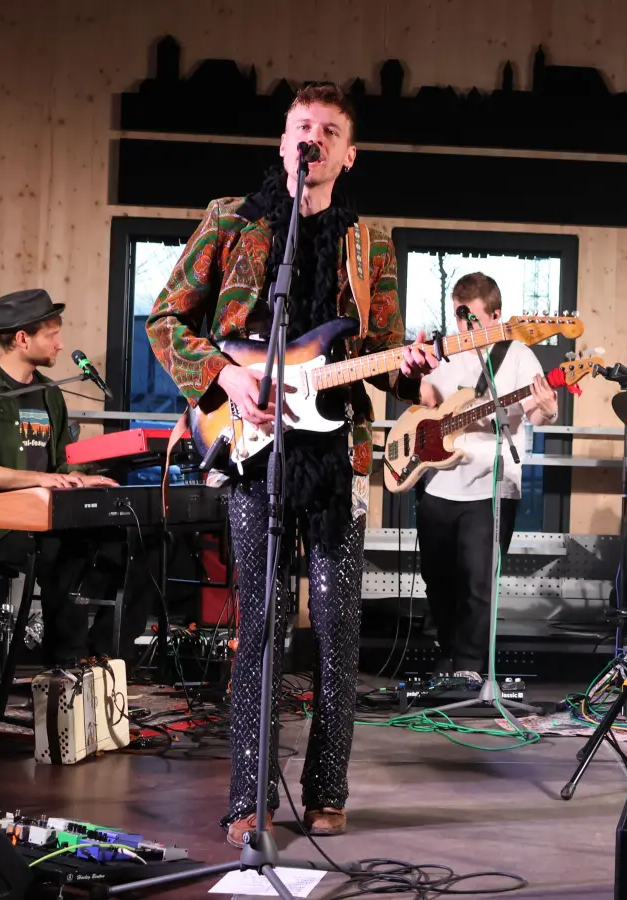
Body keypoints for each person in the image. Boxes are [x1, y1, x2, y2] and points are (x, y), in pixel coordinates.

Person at [146, 83, 436, 844]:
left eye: (328, 129)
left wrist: (411, 366)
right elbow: (166, 318)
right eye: (301, 125)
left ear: (347, 154)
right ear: (284, 142)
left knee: (339, 629)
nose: (312, 137)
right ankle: (249, 795)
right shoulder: (231, 219)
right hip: (252, 450)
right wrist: (225, 377)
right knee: (264, 625)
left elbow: (381, 357)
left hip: (337, 451)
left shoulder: (369, 243)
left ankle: (327, 788)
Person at [0, 289, 118, 668]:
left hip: (43, 516)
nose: (60, 343)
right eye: (52, 334)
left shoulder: (49, 394)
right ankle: (67, 664)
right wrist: (41, 480)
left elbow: (61, 462)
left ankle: (105, 657)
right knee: (62, 550)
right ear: (22, 339)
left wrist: (81, 479)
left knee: (128, 544)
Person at [415, 273, 558, 683]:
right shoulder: (445, 353)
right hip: (438, 481)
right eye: (458, 317)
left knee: (478, 586)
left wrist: (547, 409)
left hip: (491, 485)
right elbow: (424, 401)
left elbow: (536, 411)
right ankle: (449, 655)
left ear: (495, 315)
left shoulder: (517, 355)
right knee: (437, 580)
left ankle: (469, 670)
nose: (463, 328)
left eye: (471, 318)